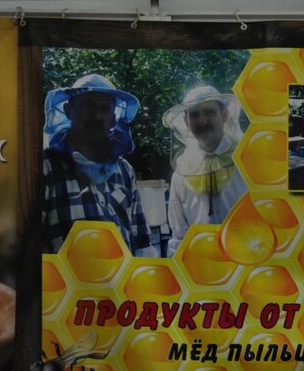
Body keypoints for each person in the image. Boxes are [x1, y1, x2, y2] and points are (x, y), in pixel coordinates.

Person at [41, 73, 160, 257]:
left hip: (122, 276)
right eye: (87, 106)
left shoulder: (124, 170)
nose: (96, 116)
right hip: (66, 276)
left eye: (104, 108)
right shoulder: (47, 166)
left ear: (113, 118)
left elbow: (141, 242)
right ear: (68, 110)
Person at [161, 84, 247, 256]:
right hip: (202, 264)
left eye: (209, 112)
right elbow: (179, 236)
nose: (202, 121)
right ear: (186, 122)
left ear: (224, 114)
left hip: (247, 260)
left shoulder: (248, 159)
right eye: (194, 115)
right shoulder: (182, 172)